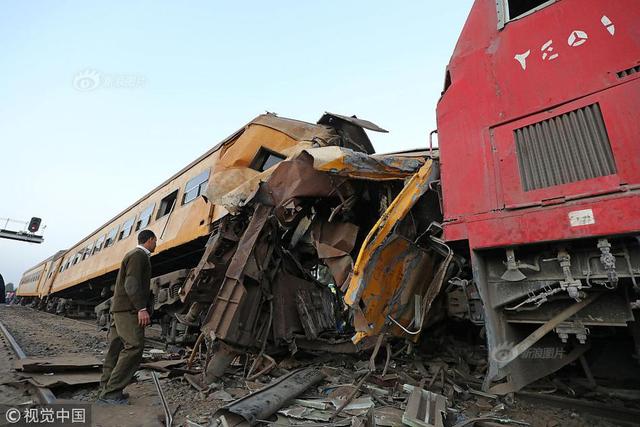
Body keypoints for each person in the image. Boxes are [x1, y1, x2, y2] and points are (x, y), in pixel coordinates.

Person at [98, 229, 156, 404]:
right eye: (155, 241)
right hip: (128, 310)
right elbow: (131, 283)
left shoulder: (133, 255)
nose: (155, 244)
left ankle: (105, 389)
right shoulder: (139, 255)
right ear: (150, 240)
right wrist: (141, 308)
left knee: (115, 349)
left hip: (120, 309)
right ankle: (111, 394)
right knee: (134, 347)